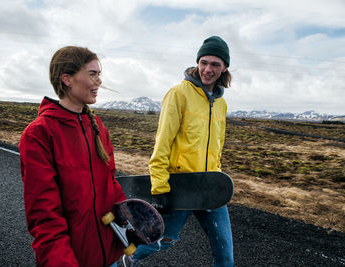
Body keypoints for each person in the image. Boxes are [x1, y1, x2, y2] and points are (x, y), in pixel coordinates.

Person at [124, 36, 234, 266]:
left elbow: (218, 145)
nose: (208, 69)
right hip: (180, 185)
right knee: (162, 240)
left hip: (209, 185)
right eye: (203, 62)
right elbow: (162, 143)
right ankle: (129, 257)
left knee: (225, 256)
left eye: (215, 64)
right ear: (197, 63)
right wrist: (160, 187)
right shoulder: (178, 94)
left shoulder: (221, 104)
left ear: (225, 67)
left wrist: (216, 173)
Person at [19, 46, 126, 267]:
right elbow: (44, 215)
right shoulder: (39, 133)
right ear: (67, 79)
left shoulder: (98, 127)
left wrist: (129, 219)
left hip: (110, 255)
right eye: (92, 74)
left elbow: (110, 182)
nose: (99, 81)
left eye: (99, 74)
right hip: (72, 259)